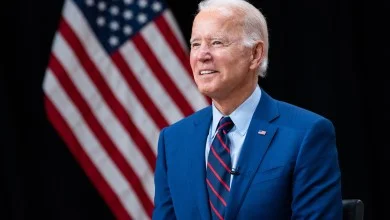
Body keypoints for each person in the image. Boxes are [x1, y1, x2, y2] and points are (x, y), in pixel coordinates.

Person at [153, 0, 343, 219]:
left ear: (255, 54)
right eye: (196, 44)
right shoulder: (173, 140)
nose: (201, 55)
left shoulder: (306, 134)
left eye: (216, 42)